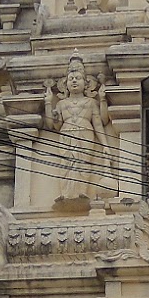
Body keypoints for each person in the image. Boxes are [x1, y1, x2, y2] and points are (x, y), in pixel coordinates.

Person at [45, 53, 111, 198]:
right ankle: (66, 194)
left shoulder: (91, 103)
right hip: (66, 135)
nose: (74, 81)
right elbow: (53, 125)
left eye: (78, 78)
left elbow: (101, 123)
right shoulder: (62, 104)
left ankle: (81, 192)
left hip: (85, 135)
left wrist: (103, 99)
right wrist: (48, 103)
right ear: (65, 84)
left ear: (86, 83)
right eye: (71, 79)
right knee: (66, 165)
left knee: (83, 164)